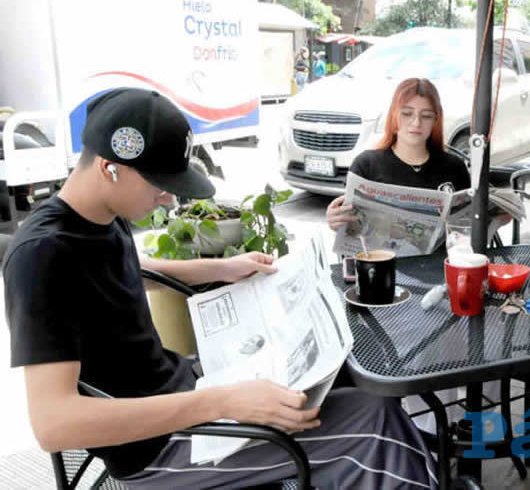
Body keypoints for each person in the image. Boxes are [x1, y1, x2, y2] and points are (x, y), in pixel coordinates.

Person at [5, 88, 438, 489]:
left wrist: (224, 267)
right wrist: (222, 403)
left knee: (349, 372)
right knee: (373, 422)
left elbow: (124, 266)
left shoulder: (93, 217)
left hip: (185, 388)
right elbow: (53, 423)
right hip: (160, 448)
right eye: (161, 183)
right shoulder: (42, 256)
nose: (168, 200)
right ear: (109, 168)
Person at [326, 77, 470, 230]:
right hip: (380, 254)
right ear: (394, 115)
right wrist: (336, 220)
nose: (416, 123)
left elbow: (466, 226)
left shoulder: (455, 167)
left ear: (436, 120)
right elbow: (349, 225)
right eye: (407, 113)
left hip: (441, 254)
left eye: (426, 116)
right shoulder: (366, 165)